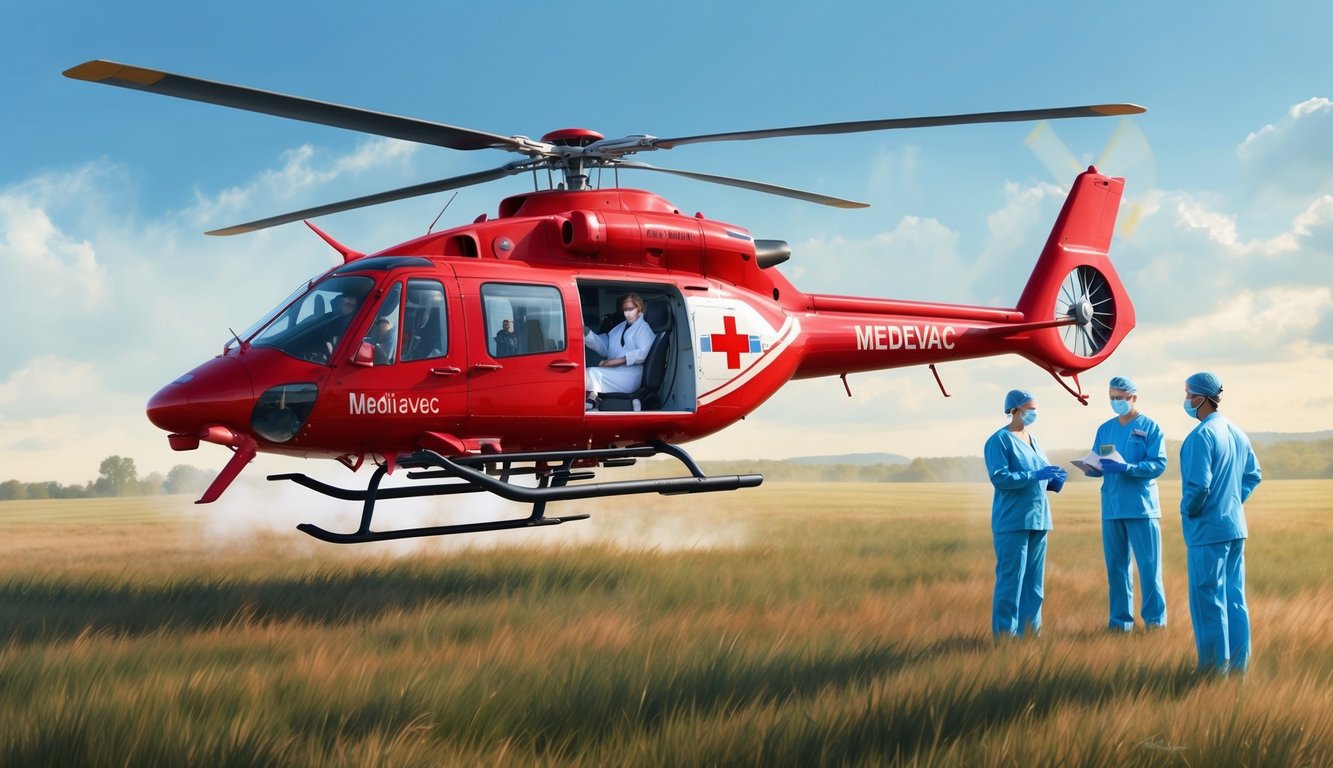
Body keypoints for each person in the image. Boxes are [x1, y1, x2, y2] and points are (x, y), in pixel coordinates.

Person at [1179, 371, 1262, 675]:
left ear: (1200, 398)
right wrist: (1232, 501)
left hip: (1208, 531)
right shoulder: (1237, 431)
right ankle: (1239, 668)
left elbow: (1198, 488)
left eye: (1189, 395)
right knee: (1234, 599)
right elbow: (1254, 475)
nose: (1187, 400)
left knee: (1209, 602)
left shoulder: (1200, 436)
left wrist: (1191, 510)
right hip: (1235, 528)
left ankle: (1214, 671)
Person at [1080, 375, 1168, 632]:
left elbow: (1158, 464)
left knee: (1149, 570)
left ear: (1133, 397)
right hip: (1112, 506)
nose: (1116, 402)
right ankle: (1120, 625)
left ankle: (1155, 624)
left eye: (1120, 398)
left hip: (1141, 508)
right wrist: (1091, 469)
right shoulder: (1104, 429)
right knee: (1117, 571)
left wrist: (1127, 467)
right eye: (1112, 398)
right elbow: (1098, 460)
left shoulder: (1150, 427)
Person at [984, 389, 1067, 639]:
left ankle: (1030, 635)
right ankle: (1005, 639)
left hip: (1039, 520)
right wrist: (1034, 476)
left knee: (1034, 585)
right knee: (1011, 582)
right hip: (1013, 521)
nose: (1033, 413)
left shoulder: (1033, 439)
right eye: (1028, 409)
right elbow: (1000, 478)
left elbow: (1039, 473)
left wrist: (1053, 479)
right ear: (1013, 410)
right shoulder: (999, 440)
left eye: (1035, 409)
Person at [582, 293, 655, 410]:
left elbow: (642, 354)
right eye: (625, 310)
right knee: (587, 372)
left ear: (639, 308)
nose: (627, 313)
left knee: (591, 373)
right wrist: (588, 333)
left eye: (631, 309)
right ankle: (594, 396)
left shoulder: (644, 328)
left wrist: (615, 362)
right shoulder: (619, 327)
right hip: (616, 371)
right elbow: (605, 347)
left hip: (631, 374)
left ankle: (593, 396)